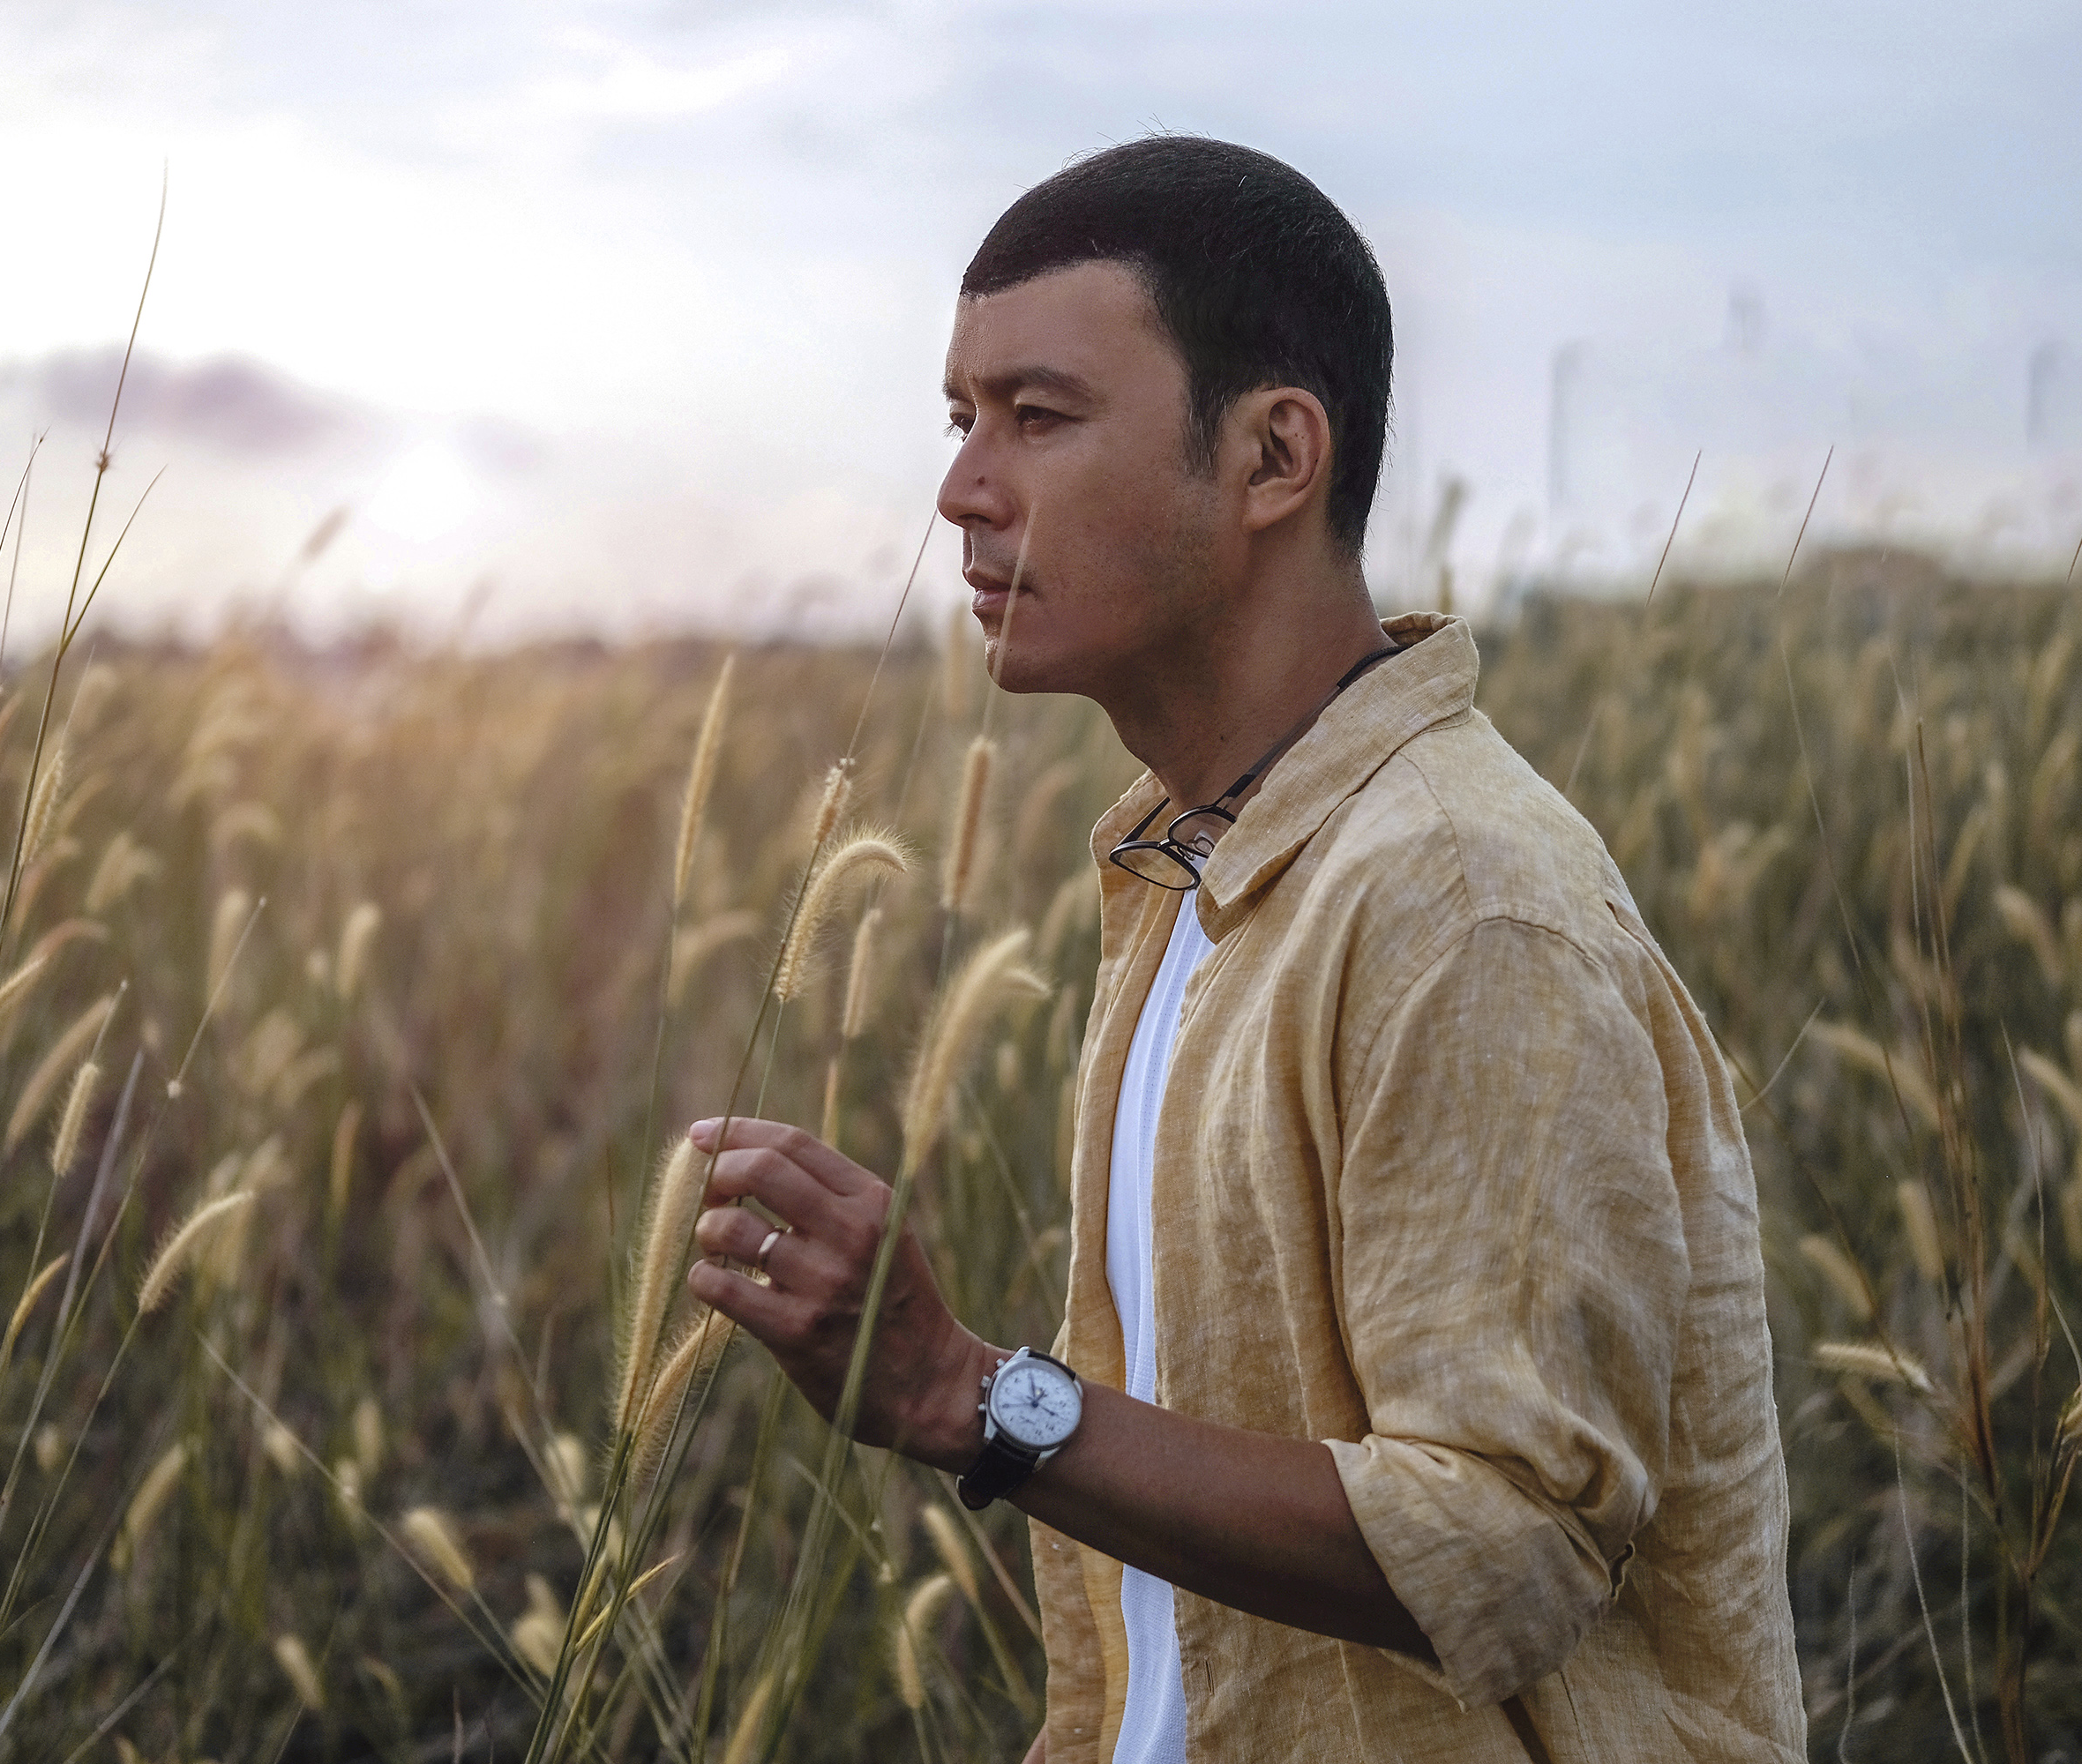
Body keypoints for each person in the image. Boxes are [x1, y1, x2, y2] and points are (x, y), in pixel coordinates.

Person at [684, 136, 1806, 1763]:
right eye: (960, 418)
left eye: (1039, 415)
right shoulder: (1186, 870)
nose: (962, 490)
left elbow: (1507, 1541)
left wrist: (968, 1395)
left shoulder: (1462, 901)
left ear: (1276, 455)